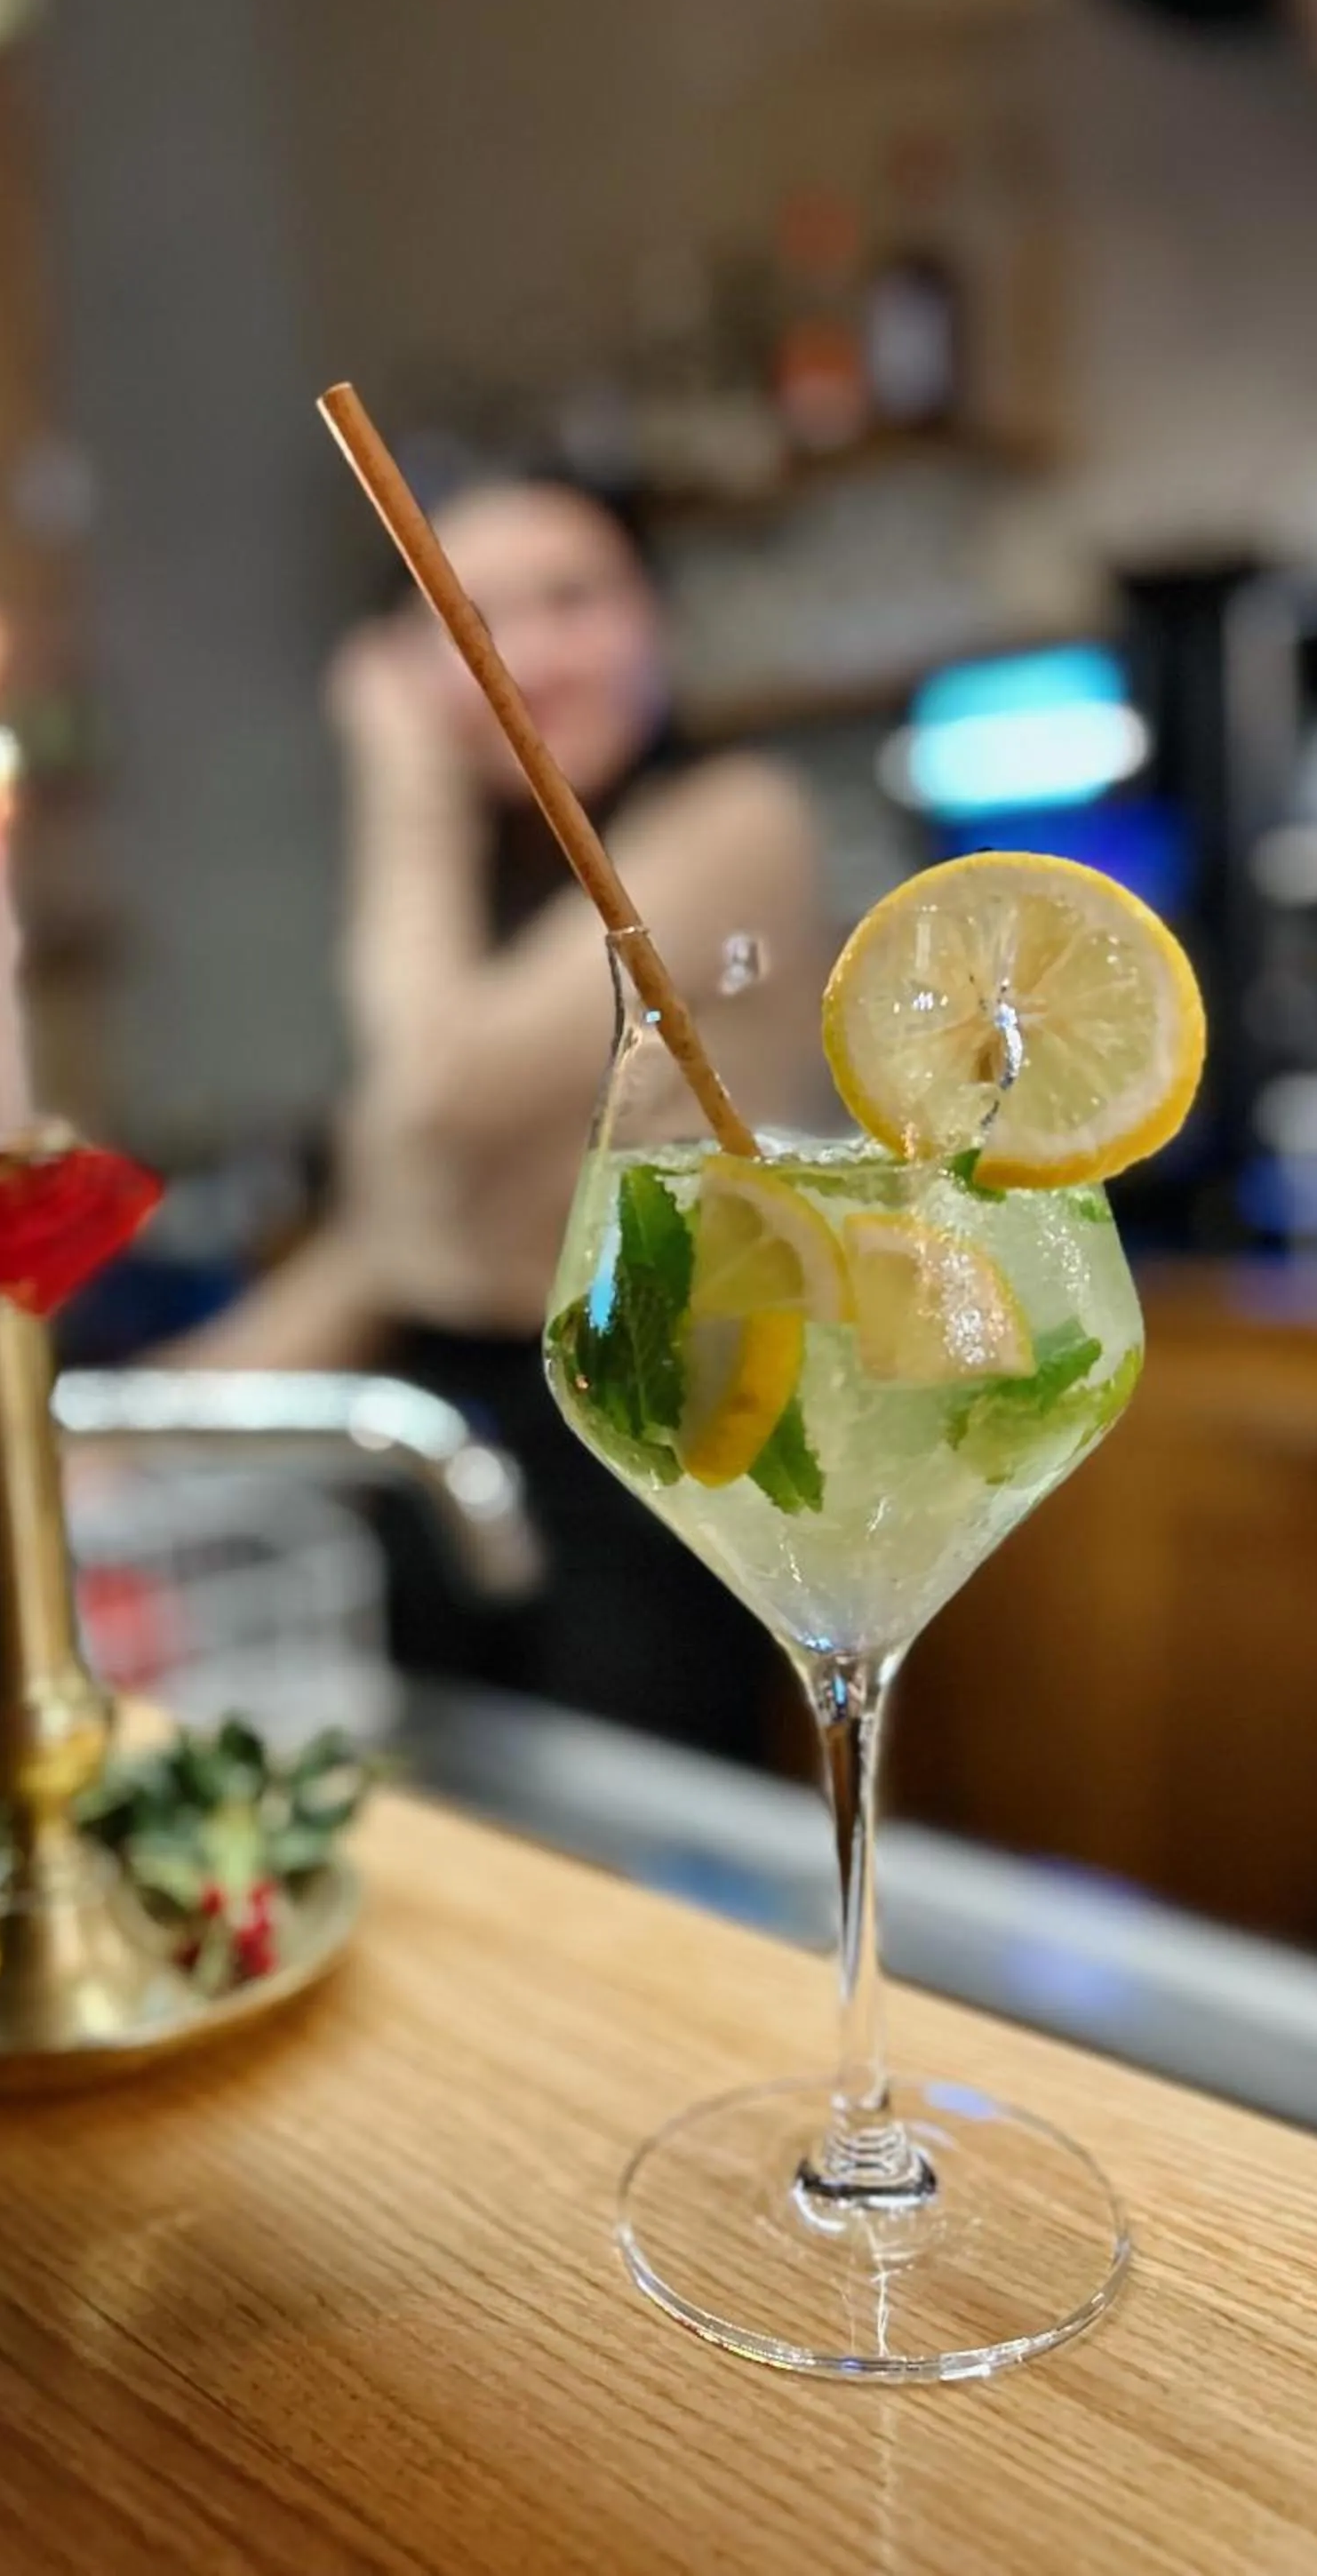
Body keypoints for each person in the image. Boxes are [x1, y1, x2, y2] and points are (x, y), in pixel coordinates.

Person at [185, 475, 828, 1759]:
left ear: (658, 622)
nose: (523, 654)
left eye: (571, 600)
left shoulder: (731, 823)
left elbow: (437, 1095)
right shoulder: (492, 887)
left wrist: (395, 769)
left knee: (637, 1851)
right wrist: (137, 1423)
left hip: (658, 1427)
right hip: (453, 1415)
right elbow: (404, 1236)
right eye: (465, 622)